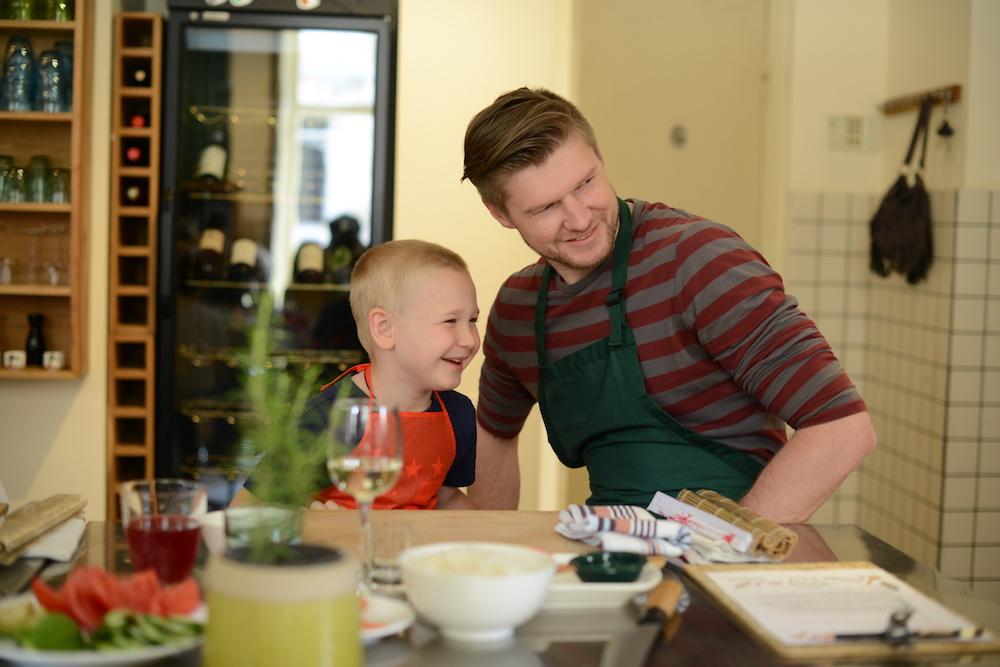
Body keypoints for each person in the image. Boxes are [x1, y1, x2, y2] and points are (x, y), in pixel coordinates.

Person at [461, 87, 876, 523]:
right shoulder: (518, 308)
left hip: (735, 554)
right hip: (617, 552)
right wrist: (491, 551)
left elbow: (841, 429)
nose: (580, 218)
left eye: (586, 183)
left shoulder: (698, 261)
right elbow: (494, 433)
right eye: (546, 207)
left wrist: (719, 548)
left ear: (600, 156)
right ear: (501, 214)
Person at [233, 239, 480, 510]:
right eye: (450, 321)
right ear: (385, 329)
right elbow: (245, 511)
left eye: (472, 320)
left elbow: (448, 498)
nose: (469, 339)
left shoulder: (459, 414)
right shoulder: (321, 418)